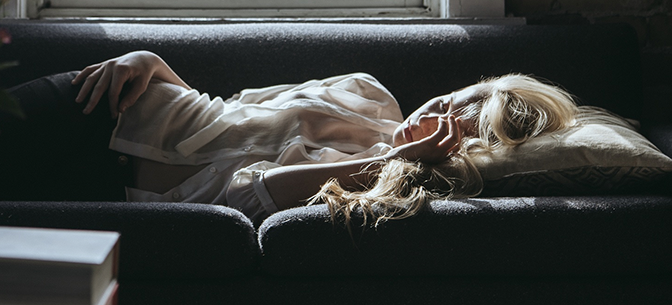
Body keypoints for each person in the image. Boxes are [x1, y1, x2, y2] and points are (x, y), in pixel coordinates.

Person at [34, 50, 577, 226]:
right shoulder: (367, 91)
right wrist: (150, 63)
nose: (437, 113)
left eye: (457, 125)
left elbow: (250, 195)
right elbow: (234, 109)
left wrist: (398, 157)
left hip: (104, 191)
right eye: (447, 101)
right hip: (99, 105)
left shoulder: (392, 188)